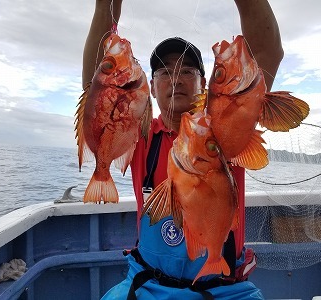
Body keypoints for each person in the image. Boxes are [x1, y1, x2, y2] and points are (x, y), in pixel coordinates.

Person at [82, 1, 284, 299]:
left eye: (188, 71)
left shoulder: (226, 127)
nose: (176, 79)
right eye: (164, 73)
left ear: (204, 84)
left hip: (225, 289)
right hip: (147, 284)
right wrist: (106, 6)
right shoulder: (139, 134)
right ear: (150, 86)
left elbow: (268, 51)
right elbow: (96, 88)